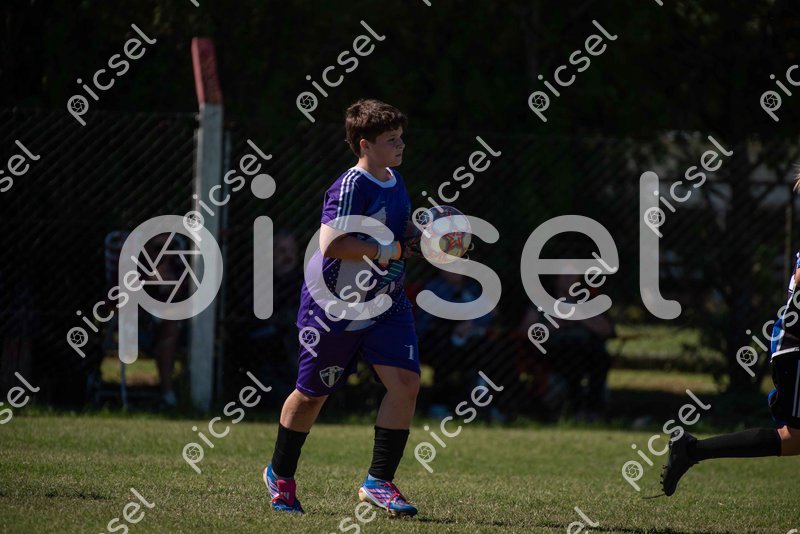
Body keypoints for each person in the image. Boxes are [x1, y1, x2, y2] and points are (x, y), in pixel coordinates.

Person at [263, 99, 422, 516]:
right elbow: (332, 244)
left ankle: (379, 482)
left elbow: (397, 231)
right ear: (364, 145)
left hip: (385, 302)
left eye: (401, 137)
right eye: (391, 140)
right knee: (312, 396)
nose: (400, 145)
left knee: (405, 384)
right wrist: (390, 250)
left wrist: (433, 235)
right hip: (335, 306)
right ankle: (280, 474)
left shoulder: (396, 179)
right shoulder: (351, 185)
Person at [661, 189, 800, 495]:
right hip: (796, 345)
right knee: (793, 437)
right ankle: (690, 450)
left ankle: (690, 450)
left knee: (793, 440)